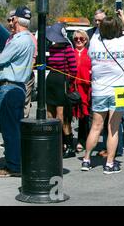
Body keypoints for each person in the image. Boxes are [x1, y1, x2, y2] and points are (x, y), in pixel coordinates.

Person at [82, 9, 124, 174]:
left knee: (96, 126)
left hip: (99, 90)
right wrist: (122, 16)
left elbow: (98, 34)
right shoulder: (122, 42)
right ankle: (109, 163)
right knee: (114, 128)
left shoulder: (95, 43)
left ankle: (86, 159)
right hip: (119, 90)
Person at [0, 6, 35, 178]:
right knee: (16, 127)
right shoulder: (29, 39)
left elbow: (1, 60)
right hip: (19, 86)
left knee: (10, 129)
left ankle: (13, 165)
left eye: (12, 19)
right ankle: (17, 161)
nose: (10, 22)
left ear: (16, 20)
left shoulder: (18, 40)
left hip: (9, 86)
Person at [46, 23, 78, 158]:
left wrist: (68, 83)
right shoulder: (51, 48)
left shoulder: (68, 49)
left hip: (62, 81)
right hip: (51, 80)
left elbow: (74, 69)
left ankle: (68, 144)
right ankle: (55, 142)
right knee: (49, 114)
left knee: (61, 116)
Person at [71, 30, 92, 153]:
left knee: (84, 116)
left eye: (81, 39)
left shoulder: (89, 53)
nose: (79, 41)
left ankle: (82, 140)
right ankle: (67, 141)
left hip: (85, 88)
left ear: (86, 40)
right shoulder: (71, 53)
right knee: (70, 114)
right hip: (72, 87)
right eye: (76, 39)